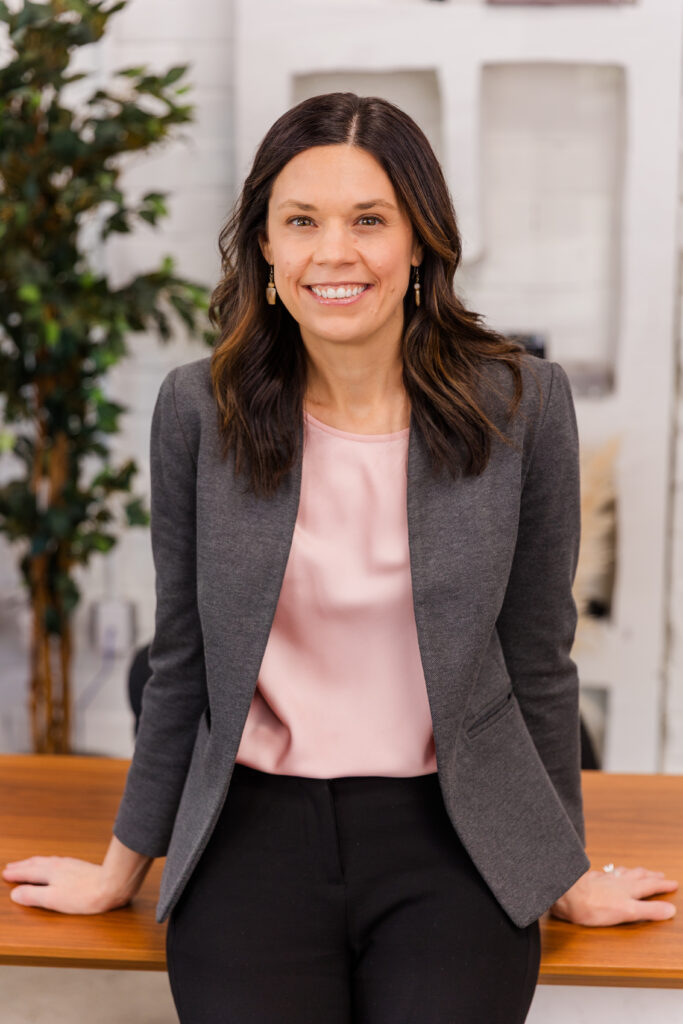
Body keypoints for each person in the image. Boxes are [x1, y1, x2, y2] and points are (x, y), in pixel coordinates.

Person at [2, 93, 678, 1023]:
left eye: (369, 219)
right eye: (302, 221)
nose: (335, 251)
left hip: (454, 830)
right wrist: (122, 867)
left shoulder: (520, 404)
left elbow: (536, 660)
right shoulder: (198, 411)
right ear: (267, 254)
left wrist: (561, 870)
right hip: (251, 829)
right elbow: (182, 664)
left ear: (417, 245)